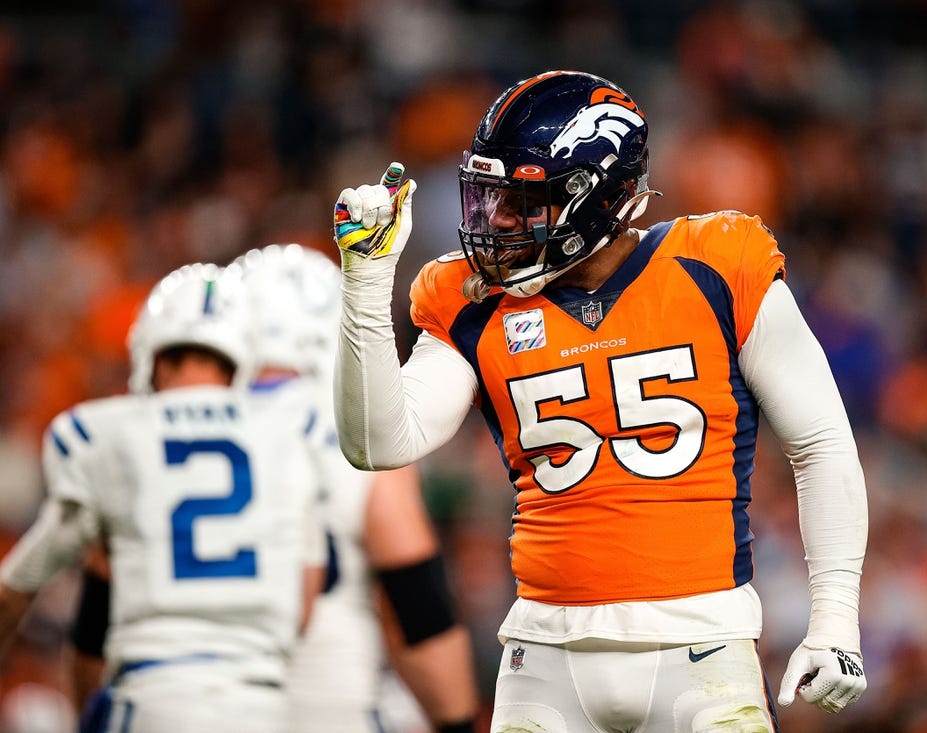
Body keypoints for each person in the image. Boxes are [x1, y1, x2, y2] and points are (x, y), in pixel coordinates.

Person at [330, 69, 869, 732]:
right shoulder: (472, 301)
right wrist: (365, 283)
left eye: (523, 201)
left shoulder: (717, 265)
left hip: (701, 645)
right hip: (544, 654)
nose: (496, 220)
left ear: (595, 195)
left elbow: (821, 442)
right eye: (491, 195)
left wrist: (837, 617)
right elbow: (379, 442)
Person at [0, 263, 328, 733]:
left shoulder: (105, 435)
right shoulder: (292, 436)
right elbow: (302, 606)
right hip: (262, 707)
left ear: (153, 354)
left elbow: (17, 591)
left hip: (153, 699)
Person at [233, 243, 479, 733]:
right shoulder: (355, 441)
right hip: (327, 705)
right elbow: (415, 615)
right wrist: (458, 723)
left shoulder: (159, 435)